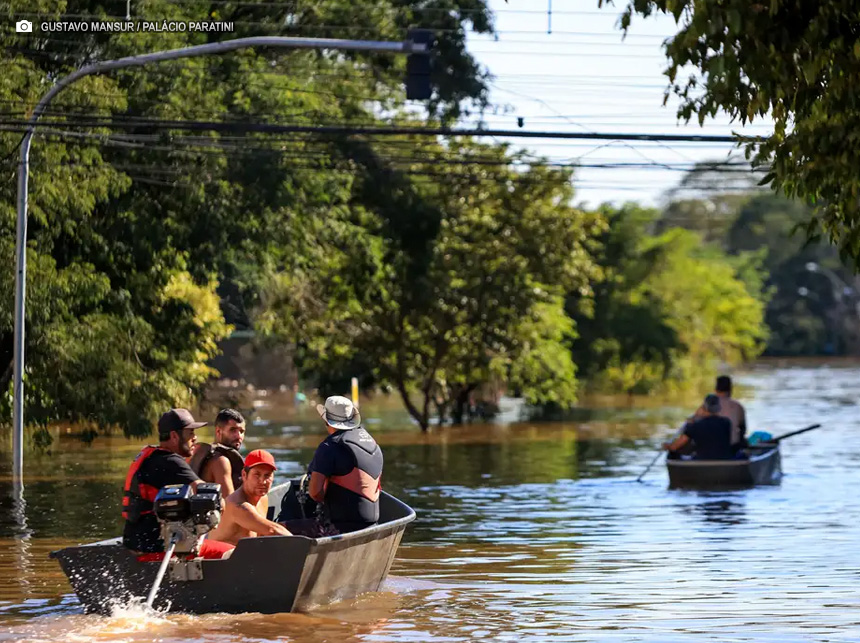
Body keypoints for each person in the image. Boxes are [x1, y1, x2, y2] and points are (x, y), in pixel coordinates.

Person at [122, 408, 234, 559]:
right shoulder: (171, 461)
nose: (195, 438)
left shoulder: (151, 457)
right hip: (159, 551)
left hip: (136, 545)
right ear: (175, 436)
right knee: (233, 553)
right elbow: (207, 492)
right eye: (190, 433)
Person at [307, 395, 384, 533]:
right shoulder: (372, 443)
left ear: (326, 420)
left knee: (283, 527)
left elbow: (315, 493)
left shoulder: (329, 446)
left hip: (342, 527)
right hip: (373, 524)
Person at [207, 449, 291, 546]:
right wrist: (302, 546)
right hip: (222, 559)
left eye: (267, 475)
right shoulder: (238, 505)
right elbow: (272, 530)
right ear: (244, 475)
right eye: (257, 475)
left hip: (247, 556)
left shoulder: (263, 499)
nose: (263, 481)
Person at [188, 408, 246, 495]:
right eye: (233, 430)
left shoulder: (198, 451)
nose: (239, 436)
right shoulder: (221, 461)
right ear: (218, 431)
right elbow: (229, 503)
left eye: (241, 431)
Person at [664, 394, 736, 460]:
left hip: (701, 462)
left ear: (704, 408)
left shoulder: (694, 425)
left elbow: (675, 447)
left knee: (672, 454)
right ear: (719, 408)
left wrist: (668, 446)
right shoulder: (727, 423)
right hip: (723, 462)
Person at [691, 375, 748, 448]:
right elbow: (743, 429)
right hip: (731, 448)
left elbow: (692, 424)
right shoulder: (738, 406)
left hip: (707, 447)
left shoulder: (706, 406)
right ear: (730, 389)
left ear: (716, 389)